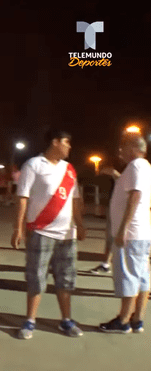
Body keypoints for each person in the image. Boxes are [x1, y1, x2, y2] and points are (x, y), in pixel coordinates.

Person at [11, 129, 86, 340]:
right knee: (36, 277)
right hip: (41, 231)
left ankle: (66, 320)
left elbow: (75, 200)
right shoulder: (34, 165)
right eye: (66, 142)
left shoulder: (69, 169)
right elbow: (22, 197)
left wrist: (79, 224)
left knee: (66, 278)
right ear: (55, 142)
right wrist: (18, 228)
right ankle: (30, 320)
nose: (69, 147)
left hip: (67, 235)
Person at [99, 134, 151, 334]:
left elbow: (136, 196)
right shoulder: (144, 167)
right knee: (142, 277)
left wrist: (122, 229)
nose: (119, 152)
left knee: (129, 276)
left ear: (132, 147)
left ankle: (123, 321)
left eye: (122, 148)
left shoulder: (136, 166)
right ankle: (137, 319)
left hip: (131, 233)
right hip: (141, 232)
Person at [89, 166, 121, 274]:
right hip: (115, 212)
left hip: (122, 215)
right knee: (110, 239)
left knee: (114, 239)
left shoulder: (136, 171)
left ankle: (107, 264)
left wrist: (114, 173)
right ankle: (105, 264)